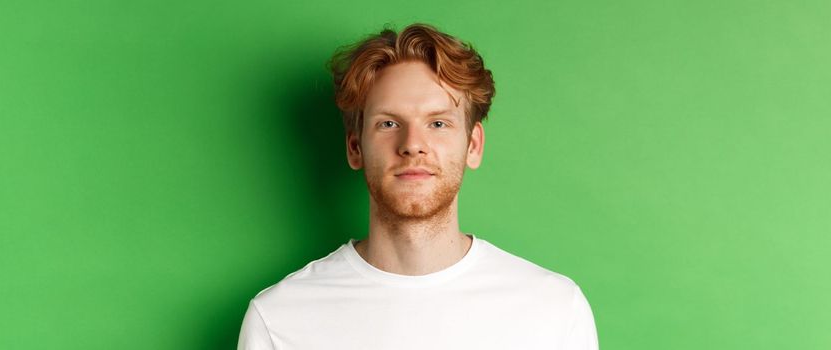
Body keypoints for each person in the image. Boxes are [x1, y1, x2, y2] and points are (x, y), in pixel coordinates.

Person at [237, 22, 598, 350]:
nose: (413, 143)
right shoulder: (280, 319)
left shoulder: (554, 310)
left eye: (438, 124)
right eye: (389, 123)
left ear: (473, 145)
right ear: (355, 147)